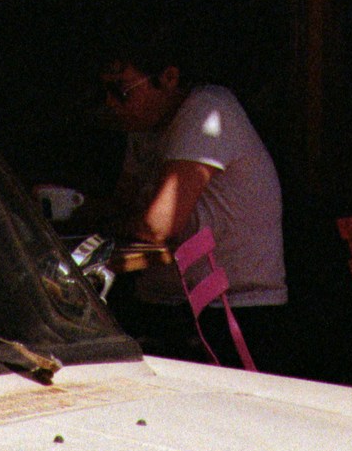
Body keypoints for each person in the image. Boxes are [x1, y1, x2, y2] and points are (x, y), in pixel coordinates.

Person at [98, 29, 288, 369]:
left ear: (169, 78)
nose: (111, 103)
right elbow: (122, 205)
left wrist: (113, 220)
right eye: (106, 91)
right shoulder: (144, 126)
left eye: (121, 90)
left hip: (232, 310)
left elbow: (157, 226)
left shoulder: (207, 111)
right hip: (168, 303)